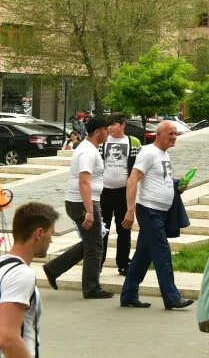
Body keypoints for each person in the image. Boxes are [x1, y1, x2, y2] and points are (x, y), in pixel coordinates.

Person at [120, 121, 194, 310]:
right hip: (149, 211)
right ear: (159, 134)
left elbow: (162, 180)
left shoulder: (164, 154)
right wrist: (130, 210)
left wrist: (178, 185)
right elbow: (132, 180)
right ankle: (172, 297)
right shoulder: (148, 153)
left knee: (143, 255)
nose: (174, 137)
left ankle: (128, 294)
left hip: (161, 212)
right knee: (162, 254)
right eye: (171, 133)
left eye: (176, 134)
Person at [43, 116, 112, 299]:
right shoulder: (87, 152)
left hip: (84, 202)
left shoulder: (90, 149)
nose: (108, 133)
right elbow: (84, 182)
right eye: (106, 129)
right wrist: (89, 211)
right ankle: (91, 288)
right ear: (97, 131)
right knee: (95, 245)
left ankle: (53, 268)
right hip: (82, 203)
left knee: (92, 242)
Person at [0, 202, 58, 358]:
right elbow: (7, 337)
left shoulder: (3, 266)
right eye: (51, 233)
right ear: (39, 233)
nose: (51, 241)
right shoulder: (22, 274)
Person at [100, 113, 142, 276]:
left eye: (113, 124)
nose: (109, 127)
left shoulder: (133, 142)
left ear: (123, 125)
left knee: (124, 228)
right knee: (103, 229)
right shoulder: (103, 142)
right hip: (104, 191)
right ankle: (98, 263)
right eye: (108, 125)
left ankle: (124, 263)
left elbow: (138, 167)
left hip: (124, 192)